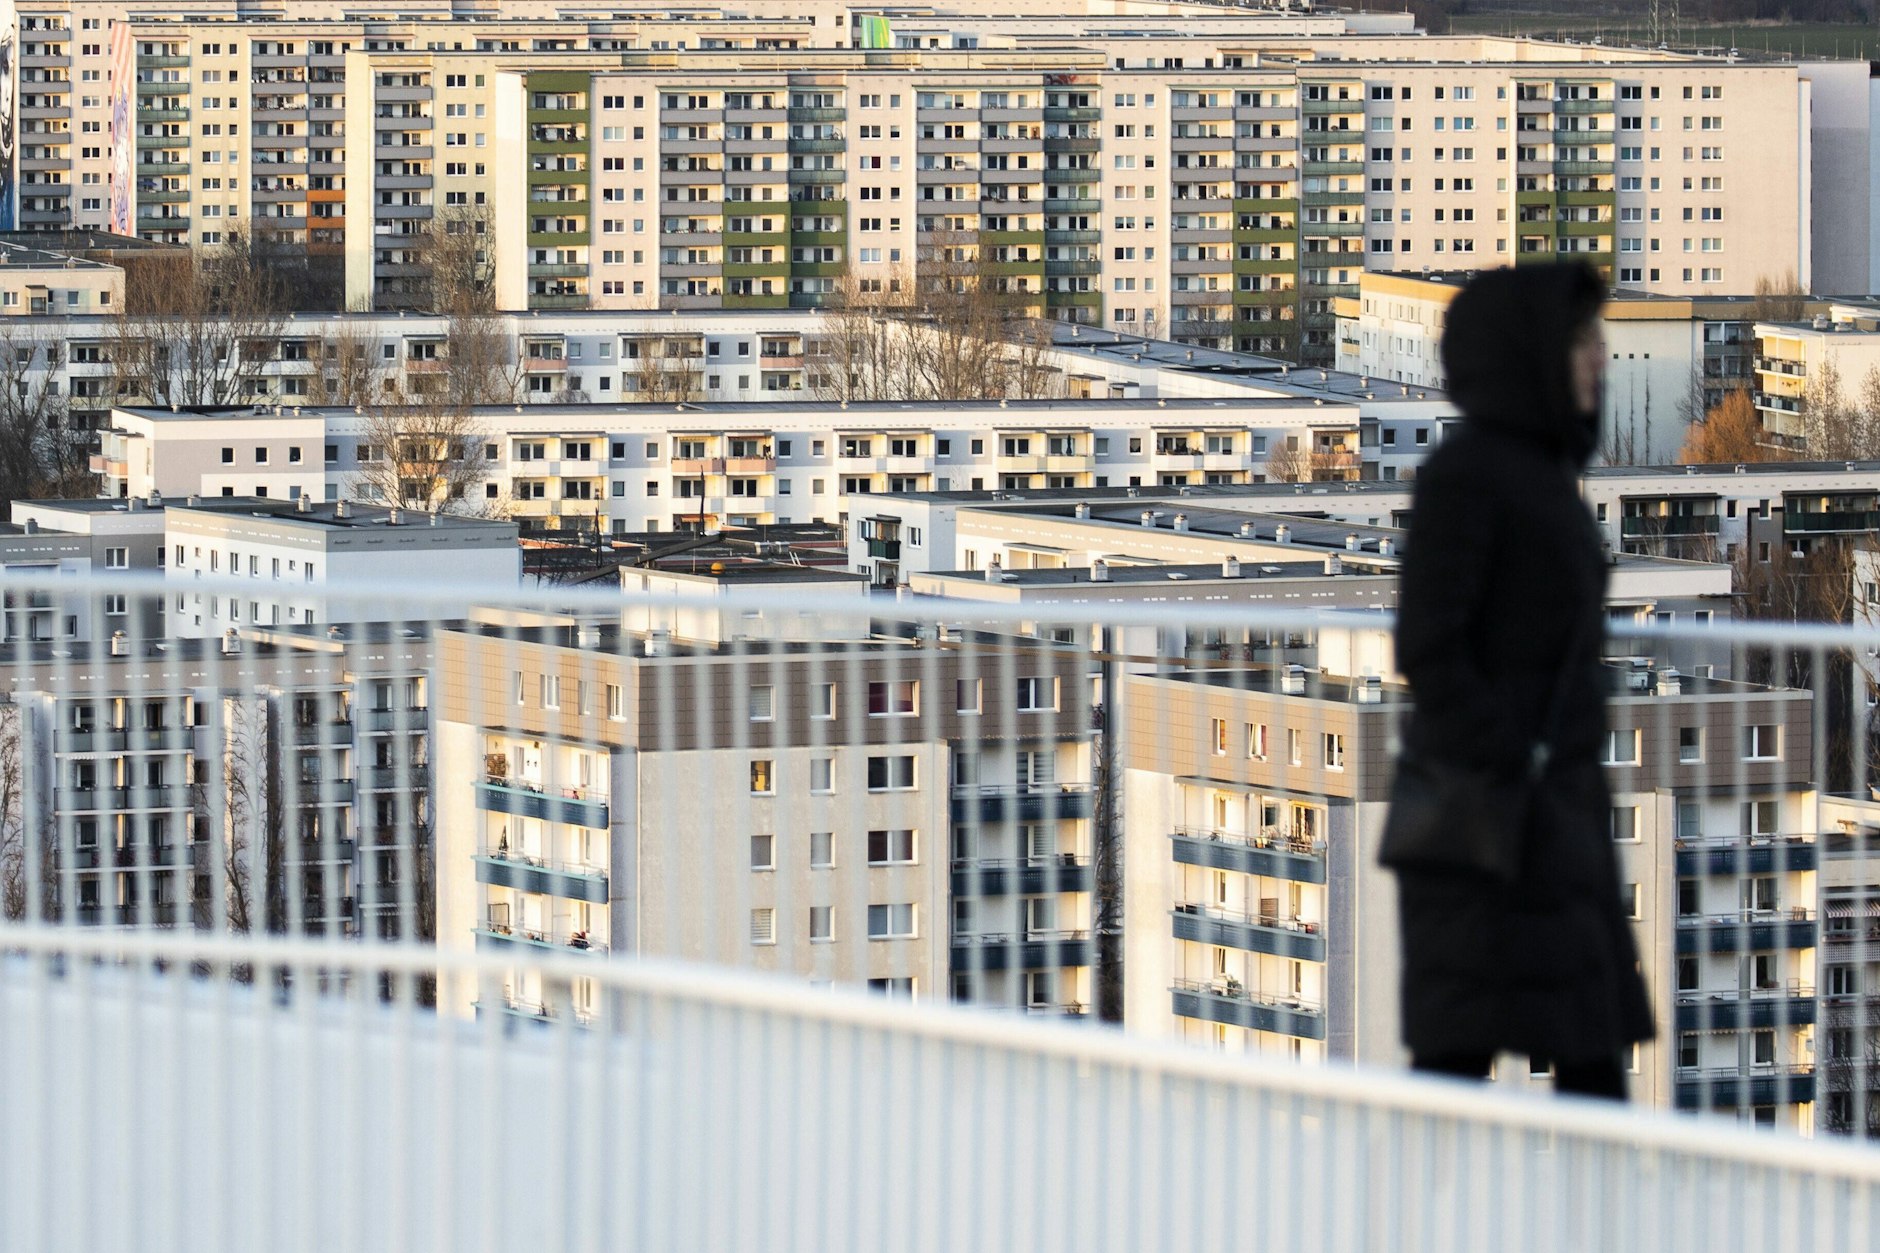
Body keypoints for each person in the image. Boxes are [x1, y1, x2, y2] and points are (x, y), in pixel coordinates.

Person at [1391, 262, 1653, 1100]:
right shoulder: (1468, 478)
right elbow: (1431, 646)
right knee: (1460, 1069)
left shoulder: (1543, 477)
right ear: (1531, 350)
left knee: (1585, 1056)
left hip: (1549, 819)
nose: (1599, 358)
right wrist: (1515, 757)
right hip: (1487, 827)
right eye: (1582, 340)